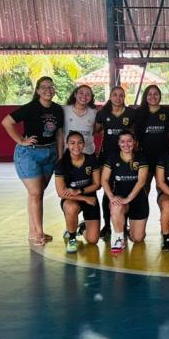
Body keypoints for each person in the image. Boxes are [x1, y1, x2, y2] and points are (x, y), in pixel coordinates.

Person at [1, 76, 64, 246]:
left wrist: (59, 155)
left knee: (37, 193)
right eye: (44, 87)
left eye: (51, 87)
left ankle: (32, 231)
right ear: (37, 91)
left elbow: (59, 133)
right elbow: (6, 122)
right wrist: (21, 140)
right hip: (29, 154)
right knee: (36, 193)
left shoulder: (58, 110)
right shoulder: (30, 108)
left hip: (49, 153)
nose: (48, 90)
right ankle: (39, 233)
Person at [95, 86, 136, 238]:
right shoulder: (103, 113)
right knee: (108, 192)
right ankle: (107, 225)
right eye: (115, 95)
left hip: (126, 158)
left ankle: (124, 224)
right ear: (110, 97)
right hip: (107, 157)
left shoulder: (131, 113)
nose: (118, 98)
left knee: (127, 189)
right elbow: (96, 130)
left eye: (121, 95)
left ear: (124, 97)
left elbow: (134, 132)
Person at [101, 131, 149, 254]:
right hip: (120, 197)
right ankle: (119, 238)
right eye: (122, 141)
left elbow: (141, 181)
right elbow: (104, 179)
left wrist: (128, 198)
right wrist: (111, 197)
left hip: (138, 199)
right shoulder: (113, 157)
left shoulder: (141, 157)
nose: (126, 144)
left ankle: (128, 227)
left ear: (134, 142)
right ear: (118, 143)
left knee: (137, 238)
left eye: (129, 141)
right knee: (116, 206)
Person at [54, 131, 101, 253]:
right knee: (70, 207)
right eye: (72, 143)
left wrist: (80, 191)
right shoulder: (61, 164)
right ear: (67, 144)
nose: (76, 146)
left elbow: (97, 184)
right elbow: (61, 193)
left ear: (84, 144)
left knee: (93, 240)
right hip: (72, 199)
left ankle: (81, 229)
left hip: (90, 198)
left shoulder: (91, 159)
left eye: (80, 142)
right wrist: (84, 198)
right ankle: (72, 237)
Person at [62, 84, 97, 237]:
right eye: (81, 92)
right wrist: (59, 153)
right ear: (75, 94)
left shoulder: (94, 113)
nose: (84, 96)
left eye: (87, 94)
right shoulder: (64, 110)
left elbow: (98, 129)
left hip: (88, 155)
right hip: (70, 156)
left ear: (91, 97)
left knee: (93, 239)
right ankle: (71, 230)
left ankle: (88, 222)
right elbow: (58, 132)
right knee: (70, 195)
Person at [134, 84, 169, 188]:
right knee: (143, 188)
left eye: (156, 94)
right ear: (145, 96)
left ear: (160, 96)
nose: (153, 96)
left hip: (163, 156)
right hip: (144, 156)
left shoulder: (167, 112)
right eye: (149, 94)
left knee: (164, 189)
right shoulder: (138, 112)